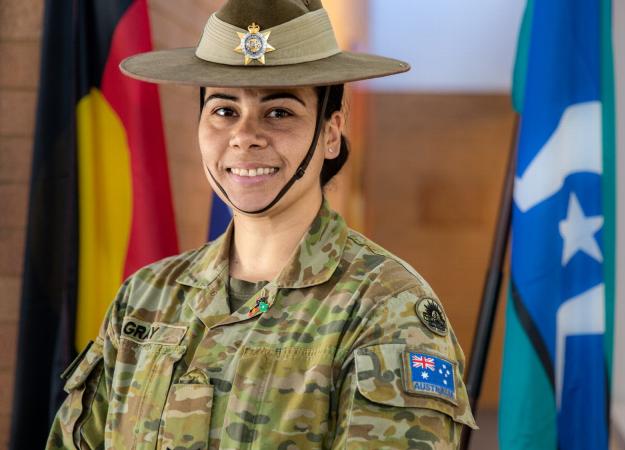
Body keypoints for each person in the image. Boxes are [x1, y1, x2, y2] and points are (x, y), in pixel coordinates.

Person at [46, 0, 477, 449]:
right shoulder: (145, 296)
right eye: (224, 110)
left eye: (279, 112)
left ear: (330, 134)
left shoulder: (387, 308)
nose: (244, 135)